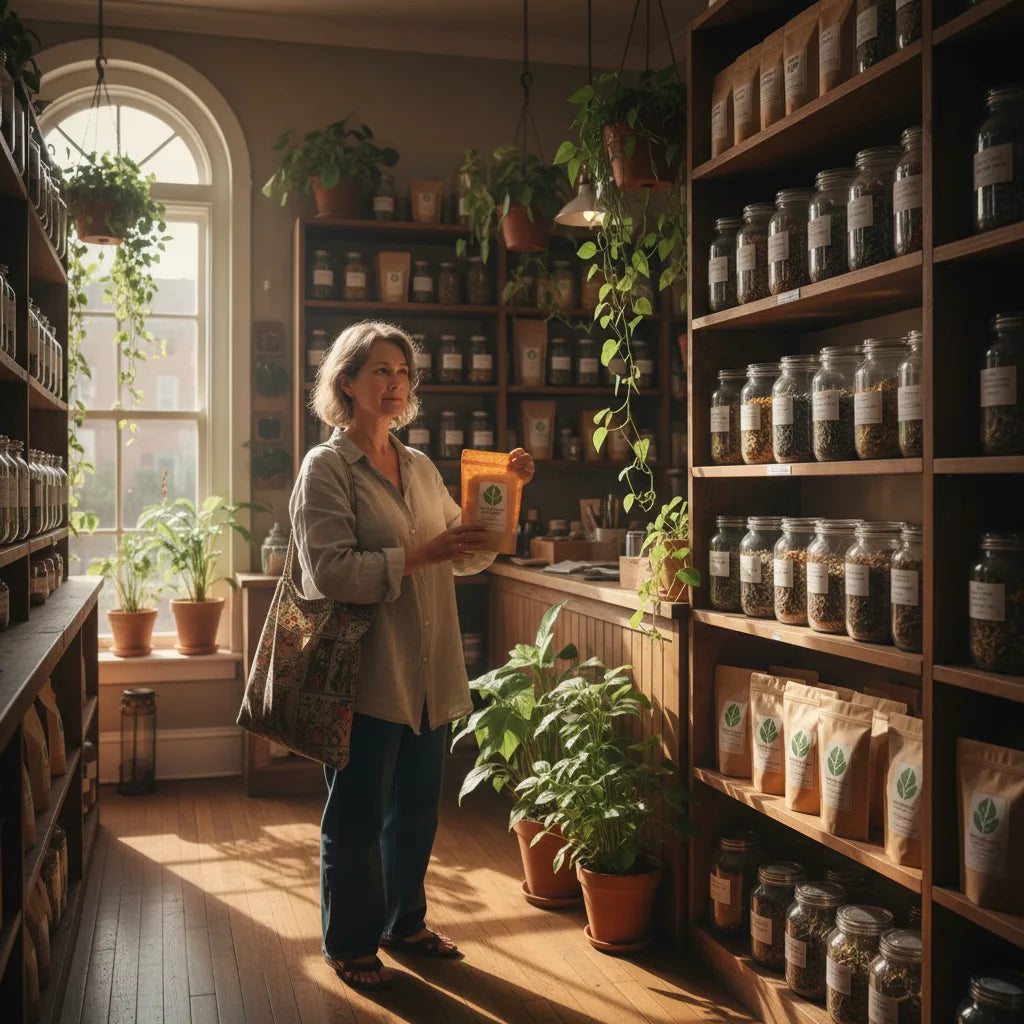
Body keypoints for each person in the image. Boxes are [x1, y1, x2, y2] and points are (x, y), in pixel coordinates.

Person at [289, 320, 534, 992]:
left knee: (418, 810)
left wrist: (505, 496)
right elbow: (330, 572)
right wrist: (421, 554)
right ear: (346, 382)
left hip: (430, 671)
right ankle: (350, 941)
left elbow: (470, 553)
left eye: (402, 372)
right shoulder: (327, 468)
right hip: (366, 676)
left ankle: (405, 922)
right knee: (357, 817)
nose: (395, 384)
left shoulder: (421, 466)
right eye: (380, 371)